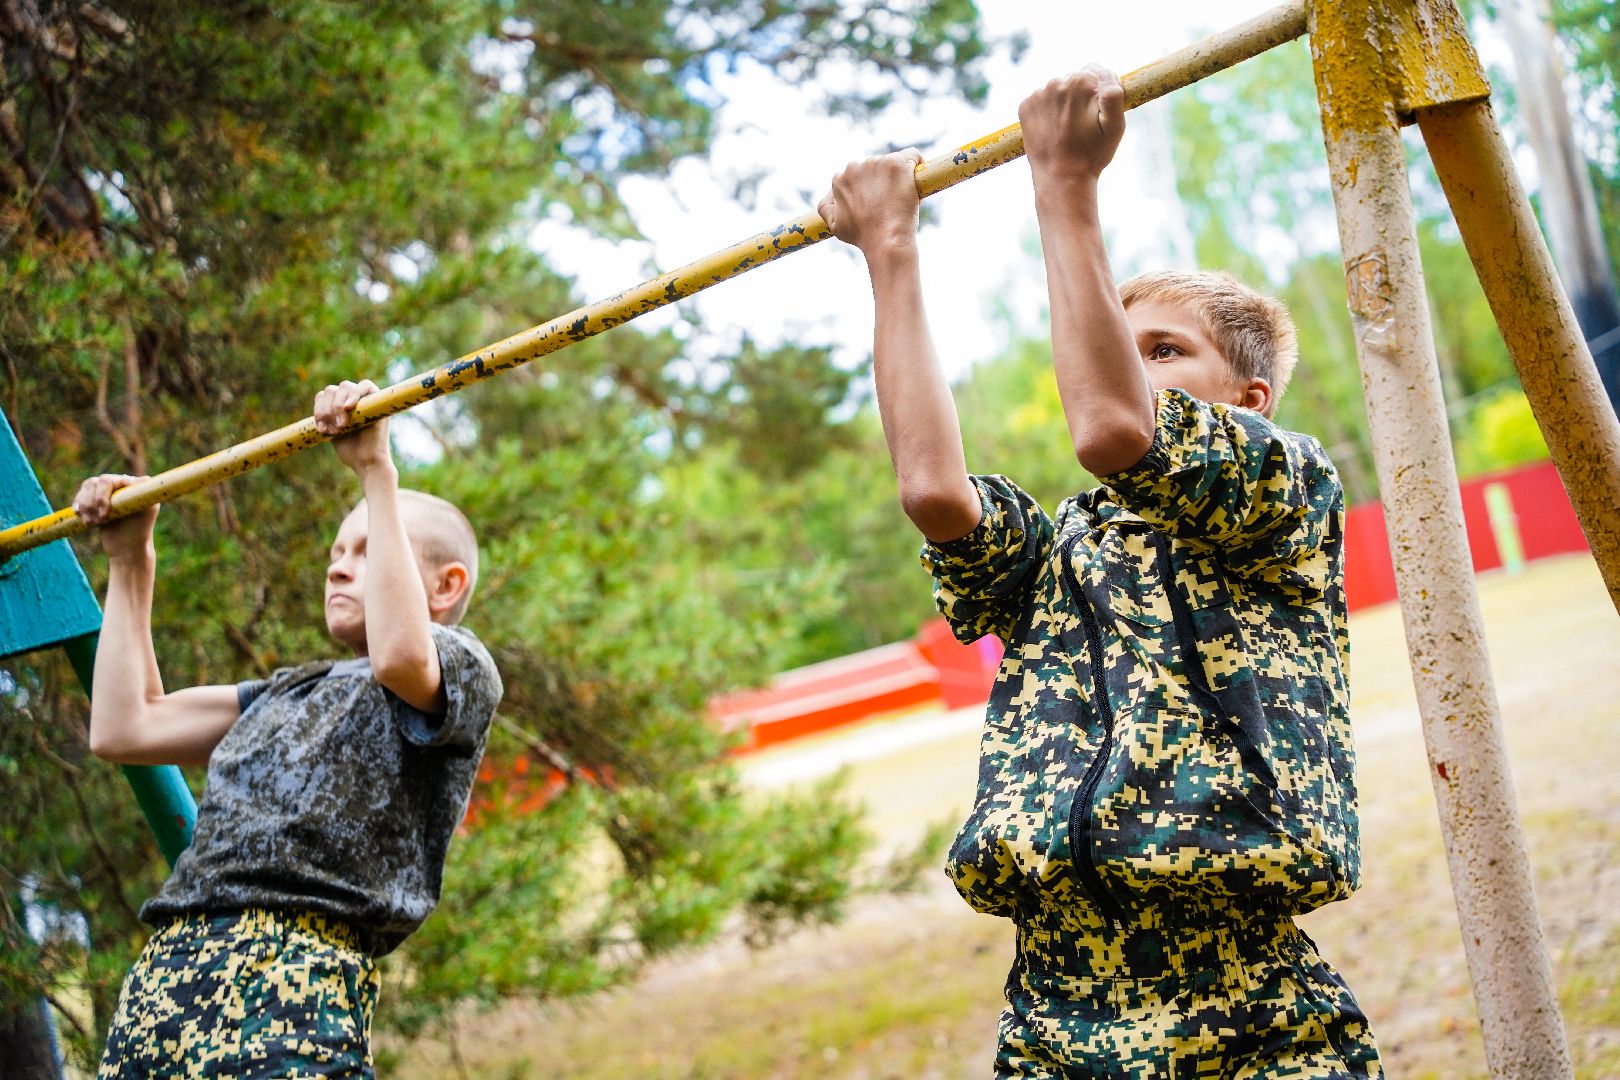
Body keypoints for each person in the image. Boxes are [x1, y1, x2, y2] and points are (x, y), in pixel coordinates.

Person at [817, 66, 1381, 1077]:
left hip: (1244, 1012)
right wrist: (889, 255)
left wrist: (1063, 183)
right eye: (1118, 346)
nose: (1133, 365)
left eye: (1163, 348)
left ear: (1247, 397)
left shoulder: (1281, 492)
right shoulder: (1057, 551)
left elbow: (1114, 428)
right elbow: (935, 492)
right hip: (1054, 1012)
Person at [76, 379, 503, 1078]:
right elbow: (126, 727)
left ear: (447, 586)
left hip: (289, 989)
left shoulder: (461, 667)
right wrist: (129, 562)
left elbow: (401, 656)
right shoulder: (283, 694)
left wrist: (376, 473)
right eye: (337, 550)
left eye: (366, 546)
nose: (339, 562)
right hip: (164, 990)